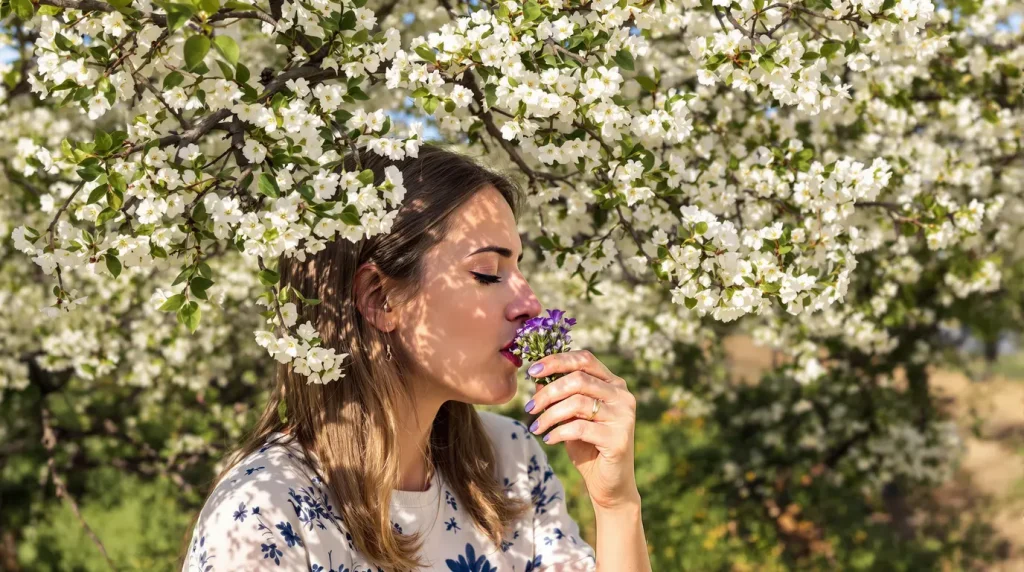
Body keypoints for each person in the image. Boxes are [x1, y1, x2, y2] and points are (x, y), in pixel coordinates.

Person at [180, 145, 651, 571]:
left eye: (519, 267)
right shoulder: (263, 514)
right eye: (488, 272)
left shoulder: (510, 464)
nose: (530, 303)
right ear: (380, 298)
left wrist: (616, 506)